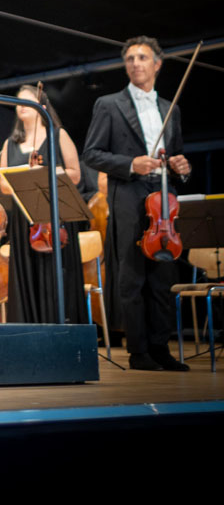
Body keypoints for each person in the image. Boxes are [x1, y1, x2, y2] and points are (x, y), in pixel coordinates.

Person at [82, 37, 191, 371]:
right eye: (130, 58)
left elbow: (176, 157)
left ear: (157, 64)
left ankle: (161, 348)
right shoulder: (108, 104)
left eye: (142, 57)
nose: (135, 63)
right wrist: (131, 164)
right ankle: (139, 351)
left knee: (162, 276)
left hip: (163, 198)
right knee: (132, 278)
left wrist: (182, 168)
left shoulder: (171, 109)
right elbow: (92, 154)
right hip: (128, 195)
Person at [0, 85, 86, 325]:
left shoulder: (58, 135)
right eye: (18, 103)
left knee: (57, 272)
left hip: (55, 215)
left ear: (42, 107)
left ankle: (61, 326)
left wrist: (44, 173)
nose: (21, 107)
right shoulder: (9, 143)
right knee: (27, 274)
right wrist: (24, 176)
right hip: (23, 218)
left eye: (27, 102)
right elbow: (4, 184)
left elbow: (75, 174)